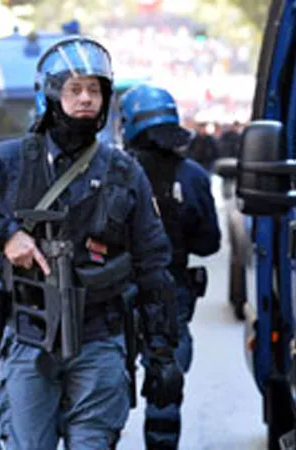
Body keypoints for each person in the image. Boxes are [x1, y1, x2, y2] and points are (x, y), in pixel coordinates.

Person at [0, 36, 182, 449]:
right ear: (49, 96)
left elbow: (154, 266)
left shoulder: (123, 171)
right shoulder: (8, 161)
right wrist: (5, 234)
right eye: (74, 89)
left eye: (94, 90)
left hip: (100, 337)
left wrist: (162, 353)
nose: (86, 99)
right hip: (30, 335)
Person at [120, 84, 222, 450]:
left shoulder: (113, 170)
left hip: (115, 290)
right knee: (165, 387)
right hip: (170, 289)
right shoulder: (192, 175)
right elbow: (209, 243)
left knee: (102, 389)